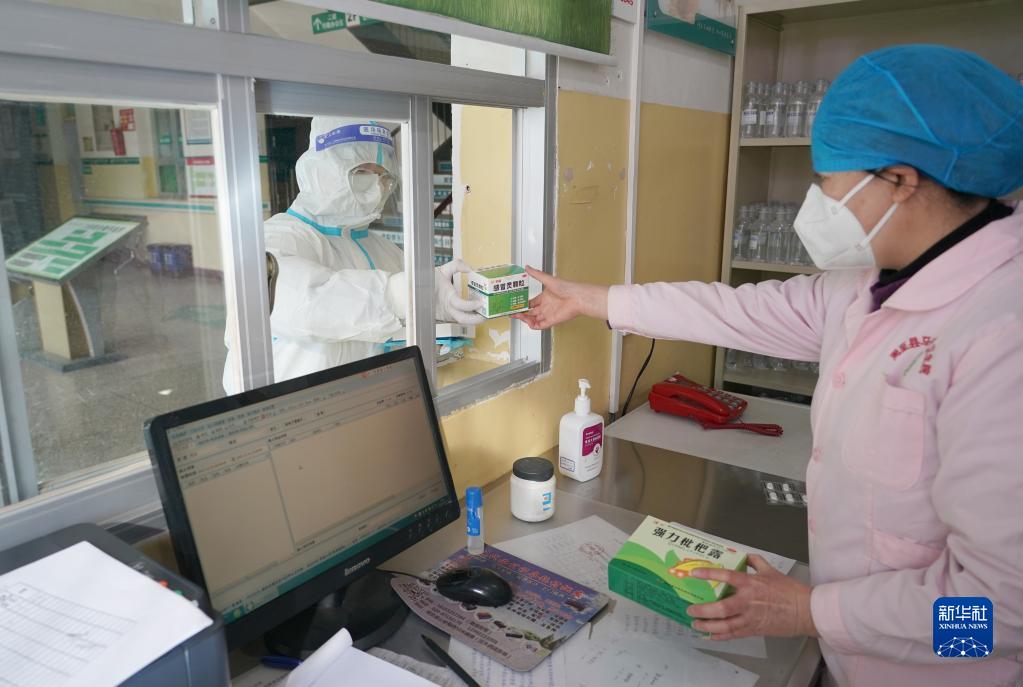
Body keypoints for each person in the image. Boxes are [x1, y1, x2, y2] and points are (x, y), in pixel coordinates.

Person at [514, 45, 1023, 686]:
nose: (820, 199)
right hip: (852, 656)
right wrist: (589, 299)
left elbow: (1003, 616)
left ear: (901, 180)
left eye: (829, 177)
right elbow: (736, 312)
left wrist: (810, 611)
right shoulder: (871, 281)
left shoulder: (1001, 334)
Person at [224, 117, 482, 394]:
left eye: (383, 177)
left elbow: (383, 329)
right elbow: (303, 302)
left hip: (366, 404)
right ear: (320, 170)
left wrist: (436, 320)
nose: (376, 188)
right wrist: (405, 294)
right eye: (360, 173)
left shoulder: (384, 250)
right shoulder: (275, 237)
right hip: (288, 410)